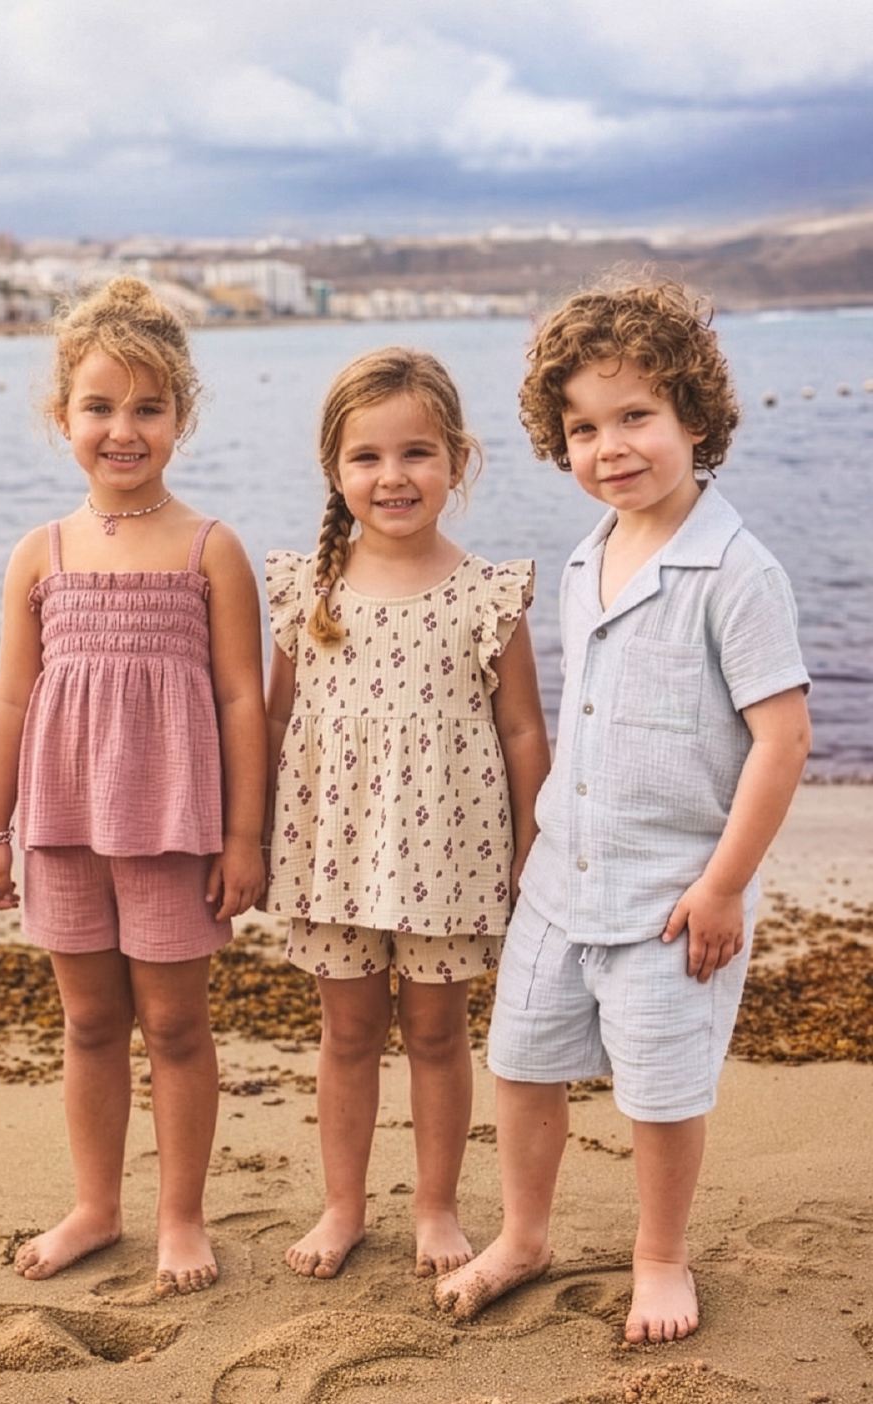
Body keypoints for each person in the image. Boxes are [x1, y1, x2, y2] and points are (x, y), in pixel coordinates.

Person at [435, 277, 811, 1342]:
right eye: (583, 428)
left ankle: (660, 1256)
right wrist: (538, 840)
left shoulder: (736, 571)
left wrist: (726, 885)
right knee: (522, 1063)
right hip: (565, 877)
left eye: (635, 416)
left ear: (695, 414)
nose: (611, 447)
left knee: (659, 1091)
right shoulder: (586, 557)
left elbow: (782, 740)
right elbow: (586, 717)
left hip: (673, 894)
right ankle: (523, 1234)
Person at [0, 276, 267, 1298]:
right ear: (64, 419)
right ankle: (97, 1207)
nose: (123, 429)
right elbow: (11, 703)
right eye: (99, 407)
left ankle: (181, 1216)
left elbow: (242, 703)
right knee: (90, 1025)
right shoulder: (36, 554)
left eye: (147, 407)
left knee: (179, 1028)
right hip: (60, 826)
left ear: (181, 416)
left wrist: (245, 836)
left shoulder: (210, 549)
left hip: (174, 828)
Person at [264, 347, 550, 1281]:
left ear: (459, 460)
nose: (393, 477)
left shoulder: (488, 594)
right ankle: (343, 1206)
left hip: (454, 849)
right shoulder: (306, 591)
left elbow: (520, 732)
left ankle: (435, 1208)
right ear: (335, 470)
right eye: (368, 458)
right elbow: (273, 721)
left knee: (436, 1034)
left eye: (418, 453)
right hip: (334, 851)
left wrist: (533, 843)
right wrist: (252, 834)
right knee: (346, 1033)